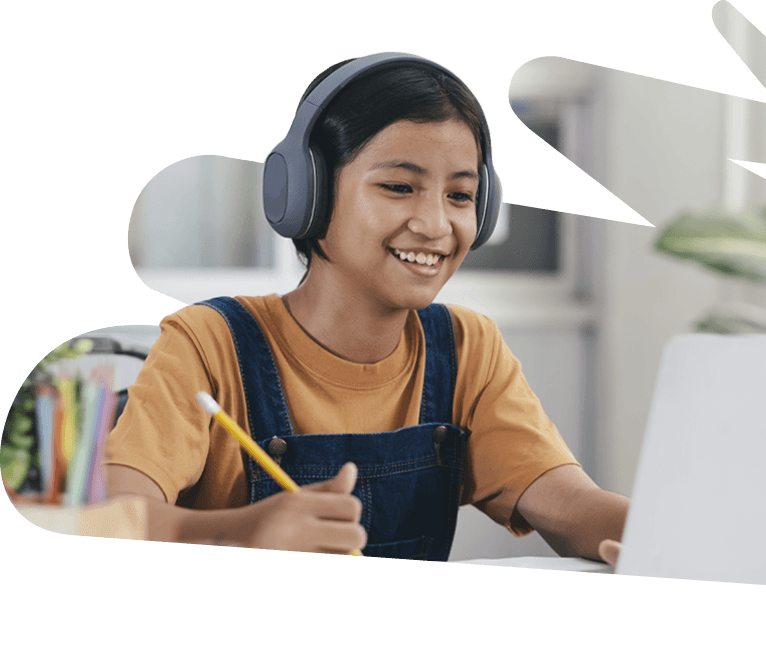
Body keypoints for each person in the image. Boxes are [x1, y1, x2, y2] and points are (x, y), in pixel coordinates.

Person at [105, 52, 628, 563]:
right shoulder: (209, 343)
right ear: (307, 192)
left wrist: (669, 529)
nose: (435, 224)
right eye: (399, 187)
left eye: (461, 196)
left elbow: (570, 505)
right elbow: (114, 520)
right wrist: (243, 531)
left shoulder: (466, 348)